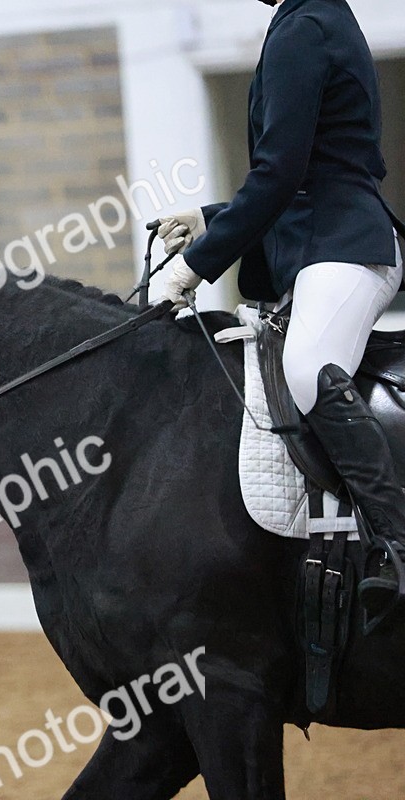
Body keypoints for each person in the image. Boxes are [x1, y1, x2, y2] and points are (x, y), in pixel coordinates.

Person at [158, 0, 405, 630]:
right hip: (320, 236)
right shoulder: (307, 18)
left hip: (345, 245)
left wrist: (198, 265)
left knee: (305, 368)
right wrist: (211, 219)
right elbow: (298, 171)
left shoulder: (305, 25)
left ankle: (396, 544)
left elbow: (283, 172)